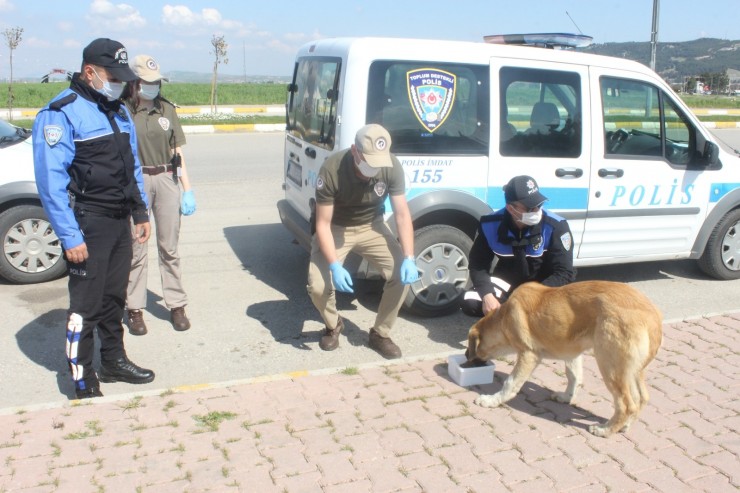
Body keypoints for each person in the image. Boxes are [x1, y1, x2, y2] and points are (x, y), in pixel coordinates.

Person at [32, 38, 155, 399]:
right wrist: (70, 237)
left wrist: (139, 210)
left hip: (119, 221)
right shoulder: (61, 112)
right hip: (88, 221)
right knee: (84, 306)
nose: (118, 83)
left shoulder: (116, 110)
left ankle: (114, 361)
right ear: (89, 72)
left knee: (113, 298)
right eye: (111, 76)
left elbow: (130, 165)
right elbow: (50, 184)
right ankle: (82, 377)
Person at [307, 124, 418, 359]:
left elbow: (401, 214)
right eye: (369, 160)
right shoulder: (332, 169)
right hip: (335, 227)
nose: (374, 167)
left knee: (401, 275)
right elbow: (322, 224)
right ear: (354, 151)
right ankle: (333, 324)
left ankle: (380, 333)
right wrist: (335, 266)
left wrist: (409, 257)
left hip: (372, 225)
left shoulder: (391, 166)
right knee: (318, 285)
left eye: (378, 161)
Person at [122, 54, 195, 335]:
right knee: (137, 248)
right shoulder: (124, 110)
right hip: (137, 180)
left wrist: (188, 189)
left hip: (166, 178)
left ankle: (176, 304)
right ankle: (135, 308)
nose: (153, 86)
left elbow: (177, 153)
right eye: (147, 82)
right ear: (135, 82)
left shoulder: (167, 110)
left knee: (170, 248)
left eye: (156, 81)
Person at [462, 175, 576, 318]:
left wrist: (531, 295)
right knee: (471, 302)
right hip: (508, 282)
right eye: (530, 208)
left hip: (544, 286)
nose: (536, 210)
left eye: (539, 205)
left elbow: (564, 272)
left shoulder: (556, 226)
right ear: (511, 208)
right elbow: (477, 265)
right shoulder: (489, 224)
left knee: (546, 316)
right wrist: (487, 295)